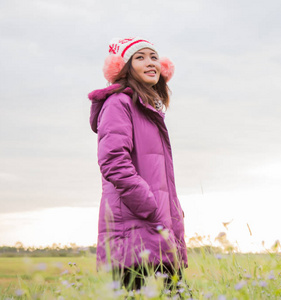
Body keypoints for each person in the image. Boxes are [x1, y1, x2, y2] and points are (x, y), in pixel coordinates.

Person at [88, 37, 188, 292]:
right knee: (137, 293)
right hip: (134, 221)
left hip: (156, 221)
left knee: (176, 293)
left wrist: (171, 210)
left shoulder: (149, 110)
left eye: (154, 57)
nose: (150, 63)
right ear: (125, 67)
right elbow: (112, 161)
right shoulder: (118, 103)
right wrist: (148, 203)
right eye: (140, 57)